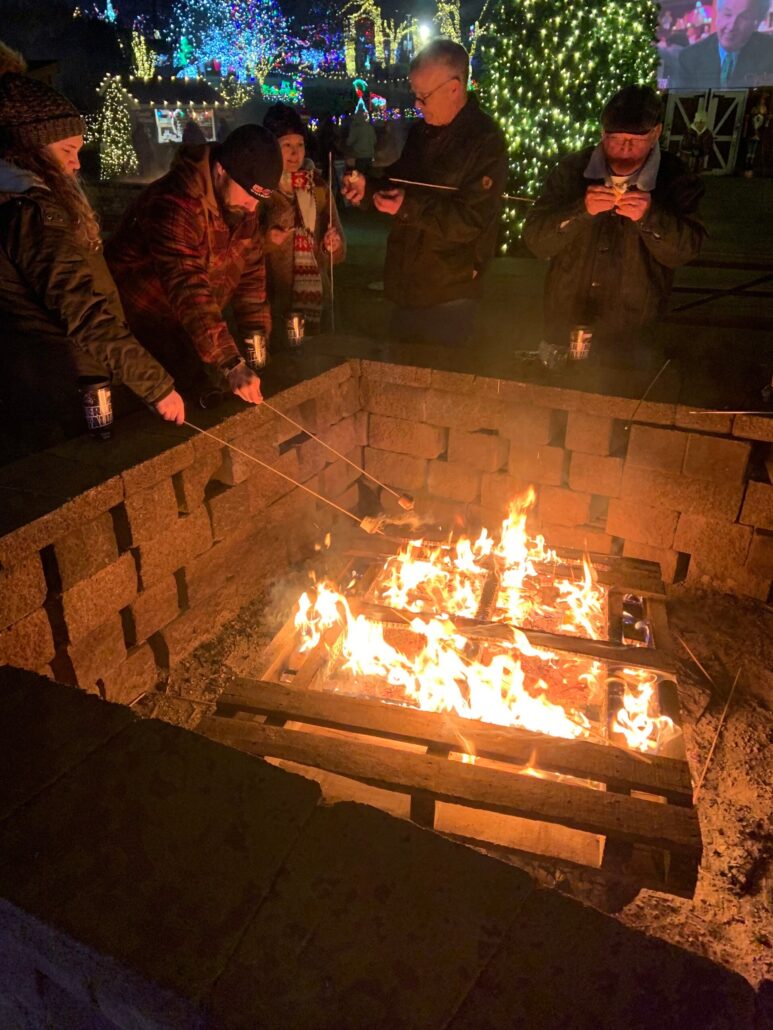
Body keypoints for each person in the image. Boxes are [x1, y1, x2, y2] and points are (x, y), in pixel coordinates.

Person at [0, 42, 184, 455]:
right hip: (54, 385)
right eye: (67, 151)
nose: (77, 164)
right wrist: (156, 387)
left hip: (64, 376)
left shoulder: (31, 201)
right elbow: (81, 310)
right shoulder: (33, 212)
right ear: (33, 147)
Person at [341, 39, 507, 346]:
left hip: (450, 293)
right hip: (406, 284)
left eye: (424, 96)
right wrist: (368, 189)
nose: (417, 104)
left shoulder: (485, 142)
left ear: (454, 88)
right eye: (416, 95)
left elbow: (471, 221)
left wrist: (409, 206)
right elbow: (400, 185)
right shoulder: (422, 132)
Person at [523, 85, 705, 362]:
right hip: (563, 327)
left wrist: (649, 216)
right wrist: (581, 210)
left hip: (631, 338)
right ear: (602, 134)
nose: (624, 149)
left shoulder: (676, 179)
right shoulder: (574, 170)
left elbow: (685, 250)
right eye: (615, 139)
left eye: (634, 140)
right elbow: (536, 240)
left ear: (655, 133)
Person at [105, 124, 282, 406]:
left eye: (259, 201)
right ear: (221, 170)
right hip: (139, 330)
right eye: (249, 196)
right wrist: (231, 364)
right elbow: (188, 287)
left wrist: (255, 344)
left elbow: (251, 280)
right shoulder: (174, 204)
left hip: (188, 331)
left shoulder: (240, 209)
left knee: (206, 400)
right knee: (159, 422)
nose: (252, 209)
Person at [260, 103, 345, 349]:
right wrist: (267, 239)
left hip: (318, 300)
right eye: (286, 145)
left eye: (299, 144)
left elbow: (339, 251)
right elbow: (244, 247)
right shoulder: (261, 190)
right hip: (275, 303)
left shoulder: (317, 187)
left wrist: (332, 246)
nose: (295, 153)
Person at [678, 0, 773, 88]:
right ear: (717, 15)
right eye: (727, 14)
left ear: (756, 23)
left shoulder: (769, 52)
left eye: (743, 17)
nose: (731, 26)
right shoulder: (689, 58)